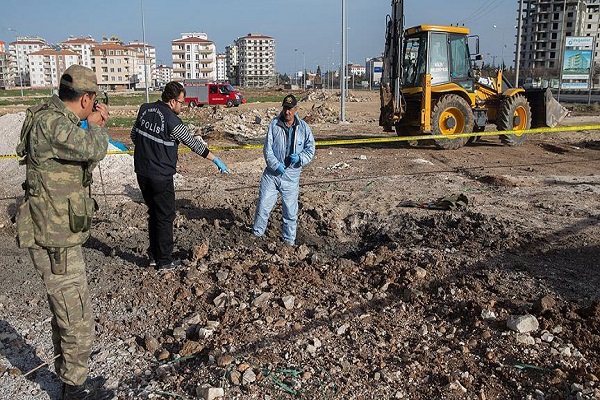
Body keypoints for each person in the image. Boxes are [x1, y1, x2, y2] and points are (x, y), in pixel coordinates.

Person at [15, 64, 114, 399]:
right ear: (86, 99)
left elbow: (77, 160)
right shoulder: (54, 123)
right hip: (54, 238)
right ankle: (75, 389)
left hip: (56, 231)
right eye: (94, 101)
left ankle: (73, 377)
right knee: (76, 315)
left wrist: (88, 124)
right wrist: (97, 126)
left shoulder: (54, 118)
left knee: (66, 309)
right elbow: (93, 149)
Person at [131, 81, 230, 269]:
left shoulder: (144, 109)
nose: (182, 106)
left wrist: (153, 151)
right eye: (181, 102)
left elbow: (134, 136)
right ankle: (165, 261)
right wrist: (215, 159)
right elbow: (193, 143)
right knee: (166, 216)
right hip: (160, 176)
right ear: (171, 101)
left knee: (154, 213)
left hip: (142, 172)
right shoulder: (172, 120)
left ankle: (154, 255)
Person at [252, 94, 315, 246]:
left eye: (290, 109)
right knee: (263, 206)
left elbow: (310, 150)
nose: (287, 112)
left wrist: (300, 158)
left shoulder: (304, 128)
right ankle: (256, 235)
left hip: (291, 177)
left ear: (296, 109)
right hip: (272, 175)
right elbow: (268, 150)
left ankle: (288, 242)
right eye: (285, 108)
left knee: (290, 212)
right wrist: (275, 165)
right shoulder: (274, 124)